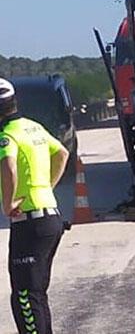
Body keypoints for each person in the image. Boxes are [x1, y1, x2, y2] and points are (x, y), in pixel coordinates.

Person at [0, 78, 68, 334]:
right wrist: (46, 187)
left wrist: (8, 203)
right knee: (36, 294)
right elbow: (61, 152)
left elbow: (8, 166)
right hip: (49, 218)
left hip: (30, 222)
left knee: (25, 297)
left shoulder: (6, 136)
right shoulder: (33, 127)